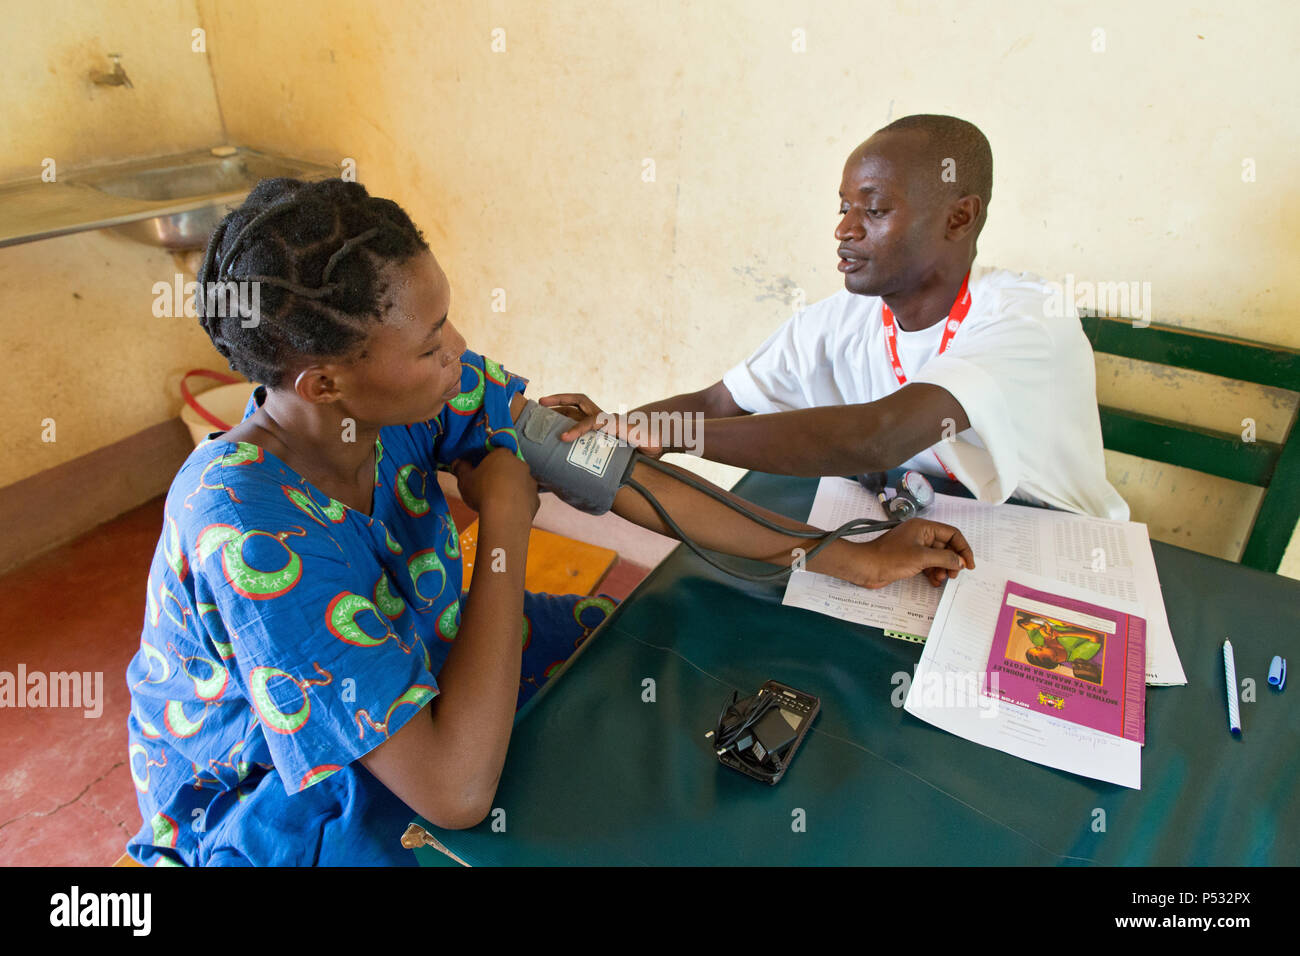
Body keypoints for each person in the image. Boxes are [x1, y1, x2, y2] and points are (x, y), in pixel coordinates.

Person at [125, 178, 974, 866]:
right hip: (277, 776)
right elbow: (454, 791)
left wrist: (829, 553)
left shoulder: (419, 395)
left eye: (445, 320)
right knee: (456, 835)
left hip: (423, 641)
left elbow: (618, 474)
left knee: (650, 658)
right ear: (323, 384)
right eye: (428, 345)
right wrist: (505, 522)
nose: (457, 350)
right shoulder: (247, 530)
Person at [543, 114, 1128, 520]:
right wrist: (614, 431)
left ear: (959, 218)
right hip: (928, 533)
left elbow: (879, 436)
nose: (844, 229)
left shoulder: (1025, 319)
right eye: (844, 206)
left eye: (873, 209)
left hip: (1051, 551)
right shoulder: (839, 321)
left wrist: (677, 436)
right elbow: (720, 402)